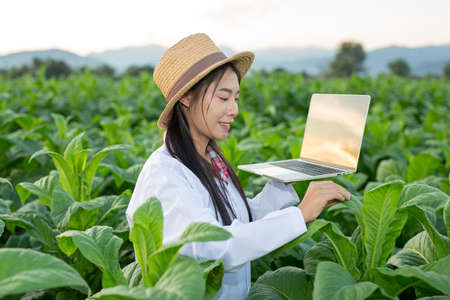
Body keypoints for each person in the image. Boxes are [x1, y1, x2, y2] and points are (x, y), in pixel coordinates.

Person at [125, 33, 351, 300]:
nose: (234, 109)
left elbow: (236, 222)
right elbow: (217, 246)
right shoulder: (164, 175)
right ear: (186, 98)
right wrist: (299, 215)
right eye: (223, 98)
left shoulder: (208, 158)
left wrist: (281, 186)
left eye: (236, 98)